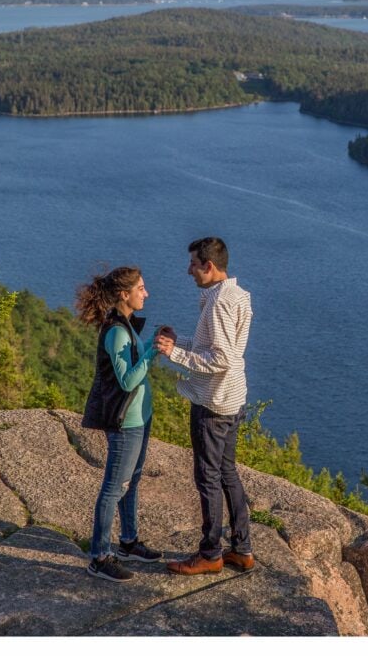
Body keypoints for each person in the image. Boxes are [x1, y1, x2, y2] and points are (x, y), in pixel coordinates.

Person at [155, 237, 255, 575]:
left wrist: (175, 354)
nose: (189, 271)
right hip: (232, 398)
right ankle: (241, 549)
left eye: (194, 264)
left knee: (208, 478)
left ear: (208, 266)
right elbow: (216, 348)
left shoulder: (218, 304)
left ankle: (210, 554)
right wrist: (178, 340)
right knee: (227, 473)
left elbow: (220, 359)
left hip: (213, 404)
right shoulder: (236, 295)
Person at [77, 265, 164, 582]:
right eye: (141, 288)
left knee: (133, 481)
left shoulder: (125, 324)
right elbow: (128, 381)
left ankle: (128, 541)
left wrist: (151, 341)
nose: (147, 293)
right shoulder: (115, 331)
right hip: (126, 422)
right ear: (124, 294)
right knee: (114, 488)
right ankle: (99, 556)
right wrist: (153, 350)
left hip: (141, 417)